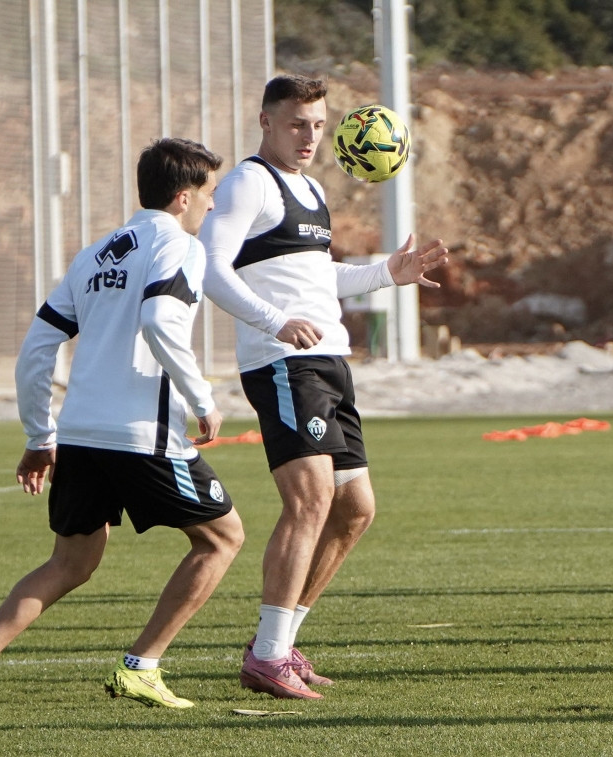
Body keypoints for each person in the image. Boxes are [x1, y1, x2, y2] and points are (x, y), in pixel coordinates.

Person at [0, 138, 243, 713]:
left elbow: (35, 350)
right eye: (210, 195)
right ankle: (142, 667)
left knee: (70, 562)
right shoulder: (180, 246)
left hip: (78, 434)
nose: (213, 207)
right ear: (182, 198)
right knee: (223, 538)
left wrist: (39, 436)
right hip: (141, 435)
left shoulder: (97, 254)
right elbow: (159, 318)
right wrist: (203, 398)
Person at [200, 74, 447, 699]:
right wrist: (275, 322)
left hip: (330, 362)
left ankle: (276, 644)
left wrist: (387, 274)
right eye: (295, 123)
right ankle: (268, 658)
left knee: (356, 510)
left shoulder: (308, 188)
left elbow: (316, 279)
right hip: (284, 362)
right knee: (308, 501)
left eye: (317, 124)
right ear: (265, 122)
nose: (309, 136)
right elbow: (209, 267)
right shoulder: (249, 182)